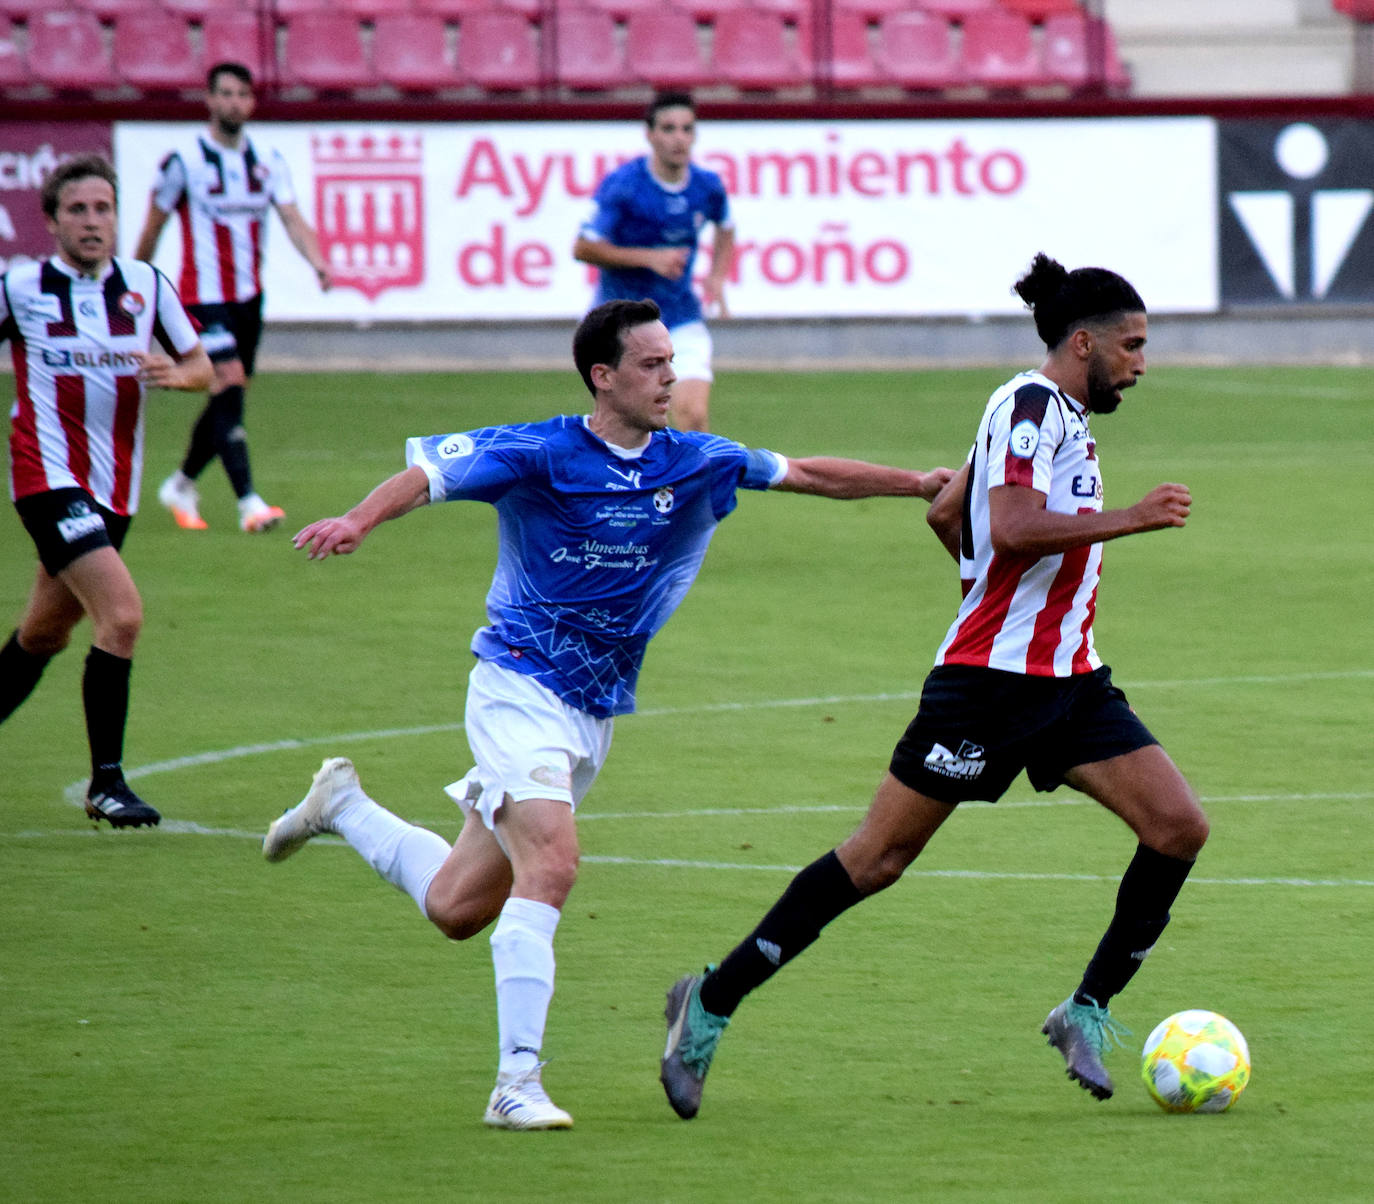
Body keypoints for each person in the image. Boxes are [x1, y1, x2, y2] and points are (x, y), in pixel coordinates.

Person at [262, 298, 953, 1130]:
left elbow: (803, 472)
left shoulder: (694, 461)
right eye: (653, 365)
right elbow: (430, 475)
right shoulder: (540, 450)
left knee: (456, 907)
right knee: (551, 866)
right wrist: (358, 519)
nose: (670, 378)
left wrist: (915, 482)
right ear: (604, 375)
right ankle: (516, 1083)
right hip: (517, 685)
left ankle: (343, 806)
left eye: (671, 363)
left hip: (592, 710)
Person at [659, 253, 1211, 1120]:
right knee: (876, 859)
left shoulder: (1055, 413)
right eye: (1132, 346)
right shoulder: (1028, 406)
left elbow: (948, 513)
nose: (1142, 363)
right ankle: (712, 1000)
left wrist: (984, 577)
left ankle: (1087, 1008)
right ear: (1083, 342)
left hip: (1068, 680)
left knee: (1178, 827)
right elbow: (1019, 525)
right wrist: (1128, 520)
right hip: (986, 686)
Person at [0, 156, 212, 828]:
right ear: (52, 221)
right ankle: (108, 784)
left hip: (113, 489)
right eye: (78, 210)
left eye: (103, 209)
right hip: (46, 476)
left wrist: (178, 377)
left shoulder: (147, 284)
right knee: (120, 616)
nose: (93, 222)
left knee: (42, 634)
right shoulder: (19, 285)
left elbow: (203, 366)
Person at [132, 60, 332, 534]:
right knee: (228, 380)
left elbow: (292, 217)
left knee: (227, 395)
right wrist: (136, 292)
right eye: (225, 93)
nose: (234, 102)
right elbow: (152, 228)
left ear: (252, 102)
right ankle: (249, 504)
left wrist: (318, 261)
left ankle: (180, 483)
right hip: (202, 298)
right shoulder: (183, 163)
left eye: (242, 94)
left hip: (248, 300)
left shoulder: (267, 161)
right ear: (209, 99)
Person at [573, 92, 733, 434]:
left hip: (678, 316)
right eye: (669, 128)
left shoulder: (707, 186)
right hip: (619, 325)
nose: (679, 138)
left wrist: (717, 276)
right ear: (650, 134)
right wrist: (649, 258)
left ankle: (697, 488)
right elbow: (583, 247)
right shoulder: (623, 187)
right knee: (625, 425)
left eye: (687, 129)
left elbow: (726, 226)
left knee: (692, 415)